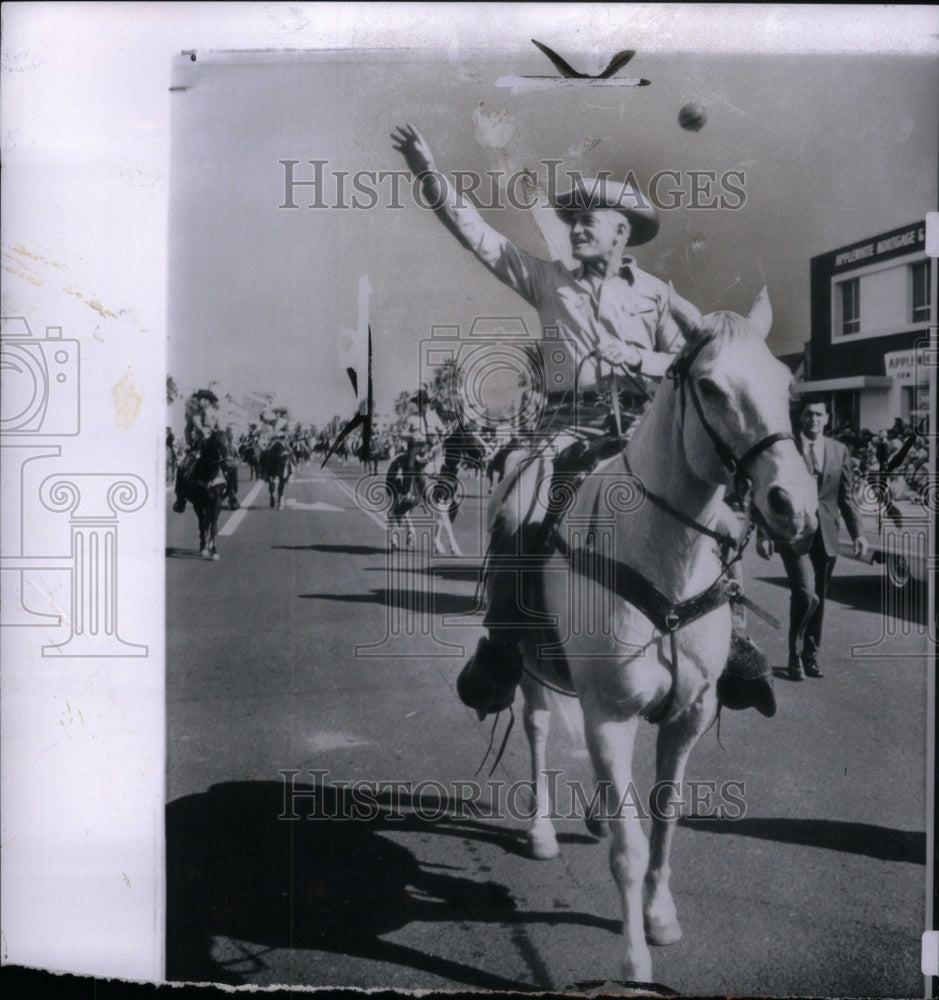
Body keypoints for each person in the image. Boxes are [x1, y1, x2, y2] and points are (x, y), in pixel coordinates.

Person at [392, 122, 773, 718]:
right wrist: (427, 171)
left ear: (621, 232)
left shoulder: (655, 295)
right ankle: (503, 640)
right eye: (573, 219)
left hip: (644, 429)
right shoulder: (546, 279)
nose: (576, 227)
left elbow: (695, 360)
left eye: (588, 219)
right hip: (565, 426)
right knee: (517, 506)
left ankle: (737, 643)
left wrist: (641, 357)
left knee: (721, 516)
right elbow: (477, 236)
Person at [757, 397, 868, 680]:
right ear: (801, 418)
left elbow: (845, 496)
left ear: (827, 419)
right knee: (805, 594)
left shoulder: (839, 450)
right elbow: (769, 491)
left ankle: (811, 655)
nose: (813, 420)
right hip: (793, 532)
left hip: (826, 534)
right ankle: (795, 656)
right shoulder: (787, 447)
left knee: (820, 596)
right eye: (808, 415)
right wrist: (764, 533)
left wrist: (858, 534)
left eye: (819, 415)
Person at [173, 389, 240, 513]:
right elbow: (187, 430)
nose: (202, 401)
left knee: (232, 466)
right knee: (181, 466)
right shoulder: (193, 415)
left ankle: (232, 495)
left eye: (205, 399)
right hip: (197, 447)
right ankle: (180, 498)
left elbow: (220, 430)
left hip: (214, 445)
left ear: (209, 402)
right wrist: (189, 443)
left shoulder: (216, 414)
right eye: (201, 399)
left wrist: (217, 434)